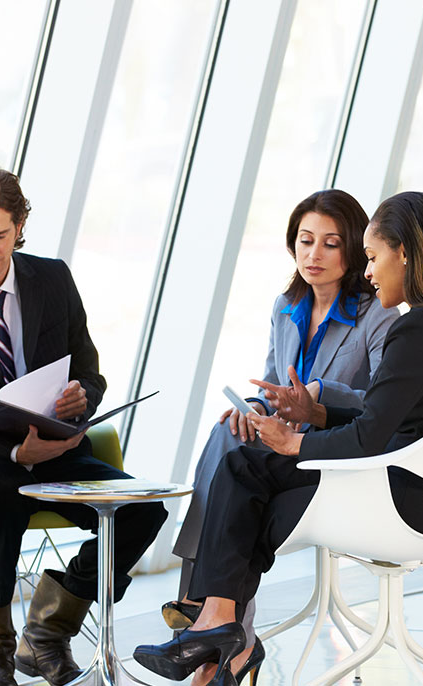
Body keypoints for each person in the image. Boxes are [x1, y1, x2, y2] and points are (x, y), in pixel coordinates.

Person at [133, 191, 423, 686]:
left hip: (400, 499)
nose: (368, 272)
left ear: (407, 253)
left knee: (246, 477)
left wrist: (296, 444)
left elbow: (372, 433)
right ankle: (219, 627)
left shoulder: (417, 328)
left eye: (372, 258)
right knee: (246, 474)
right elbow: (395, 418)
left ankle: (219, 627)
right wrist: (318, 413)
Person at [0, 164, 167, 686]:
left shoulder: (53, 278)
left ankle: (48, 631)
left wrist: (79, 399)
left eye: (1, 235)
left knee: (142, 512)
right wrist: (19, 454)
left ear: (20, 225)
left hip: (60, 450)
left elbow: (89, 371)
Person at [166, 190, 398, 675]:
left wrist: (318, 397)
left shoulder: (376, 313)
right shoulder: (286, 305)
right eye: (305, 240)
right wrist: (253, 406)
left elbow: (382, 405)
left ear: (354, 248)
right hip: (278, 447)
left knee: (235, 467)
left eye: (331, 244)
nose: (314, 254)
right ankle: (226, 631)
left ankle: (204, 607)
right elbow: (271, 381)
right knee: (228, 431)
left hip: (334, 455)